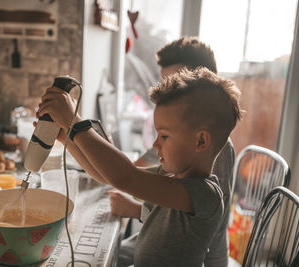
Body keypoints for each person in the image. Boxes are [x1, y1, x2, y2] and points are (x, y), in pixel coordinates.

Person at [37, 67, 243, 266]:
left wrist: (75, 123)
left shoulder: (205, 195)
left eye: (164, 136)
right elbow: (106, 176)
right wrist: (66, 136)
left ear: (201, 141)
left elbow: (126, 177)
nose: (155, 145)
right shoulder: (171, 176)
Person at [109, 36, 236, 267]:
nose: (166, 93)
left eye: (174, 84)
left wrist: (136, 209)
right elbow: (140, 170)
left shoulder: (215, 150)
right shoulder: (177, 140)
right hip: (159, 236)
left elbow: (205, 225)